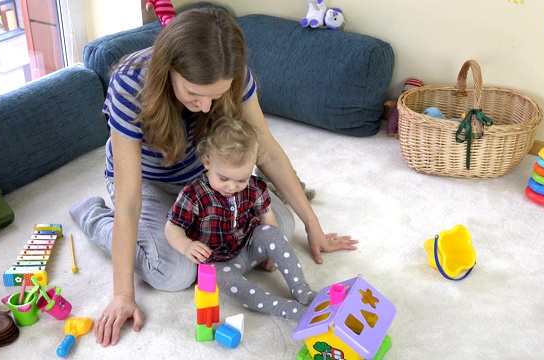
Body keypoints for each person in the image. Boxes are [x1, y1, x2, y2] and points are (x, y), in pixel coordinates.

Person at [69, 8, 358, 347]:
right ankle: (95, 216)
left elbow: (267, 152)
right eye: (194, 93)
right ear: (170, 69)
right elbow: (130, 199)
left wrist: (313, 226)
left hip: (209, 178)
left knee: (283, 225)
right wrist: (122, 293)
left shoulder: (234, 76)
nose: (206, 107)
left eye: (216, 96)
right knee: (173, 273)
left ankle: (239, 239)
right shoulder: (130, 83)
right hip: (147, 183)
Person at [166, 117, 316, 321]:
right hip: (216, 259)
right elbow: (172, 228)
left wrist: (272, 252)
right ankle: (283, 308)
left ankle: (302, 289)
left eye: (241, 180)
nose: (232, 187)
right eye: (224, 178)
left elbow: (267, 218)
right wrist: (186, 246)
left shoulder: (255, 187)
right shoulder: (193, 195)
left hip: (248, 247)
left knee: (273, 232)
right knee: (221, 279)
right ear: (207, 161)